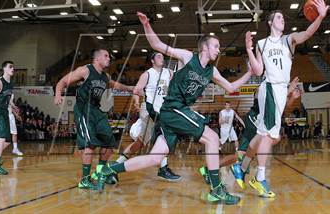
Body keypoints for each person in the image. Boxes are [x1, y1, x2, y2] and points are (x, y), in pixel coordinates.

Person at [97, 12, 253, 205]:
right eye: (216, 46)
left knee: (155, 159)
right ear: (204, 46)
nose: (218, 50)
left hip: (173, 114)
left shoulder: (211, 71)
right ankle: (216, 189)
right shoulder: (188, 57)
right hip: (173, 109)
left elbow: (230, 88)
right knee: (212, 138)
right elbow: (157, 46)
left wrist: (250, 73)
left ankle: (109, 169)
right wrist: (146, 24)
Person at [243, 0, 328, 197]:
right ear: (271, 22)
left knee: (263, 134)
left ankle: (242, 166)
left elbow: (306, 34)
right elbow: (257, 70)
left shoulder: (288, 40)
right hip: (270, 86)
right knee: (269, 135)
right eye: (279, 18)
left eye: (283, 18)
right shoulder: (262, 43)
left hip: (281, 90)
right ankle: (259, 178)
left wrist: (320, 17)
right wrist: (248, 49)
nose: (283, 20)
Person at [199, 77, 302, 188]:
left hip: (257, 122)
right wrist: (289, 90)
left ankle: (209, 169)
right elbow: (269, 101)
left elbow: (283, 106)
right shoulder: (263, 87)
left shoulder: (280, 90)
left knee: (239, 155)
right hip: (255, 120)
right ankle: (246, 170)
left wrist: (292, 97)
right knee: (274, 138)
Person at [54, 49, 134, 190]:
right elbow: (62, 81)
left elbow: (116, 85)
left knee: (109, 141)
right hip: (84, 109)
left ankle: (99, 172)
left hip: (97, 110)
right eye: (106, 56)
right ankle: (85, 180)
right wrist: (58, 94)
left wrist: (130, 89)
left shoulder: (105, 76)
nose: (109, 58)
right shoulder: (85, 70)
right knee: (89, 144)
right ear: (97, 58)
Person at [110, 52, 181, 181]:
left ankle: (115, 165)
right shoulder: (147, 74)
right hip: (149, 110)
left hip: (161, 110)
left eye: (162, 56)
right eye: (158, 56)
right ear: (152, 60)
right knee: (163, 135)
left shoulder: (168, 72)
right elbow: (136, 90)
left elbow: (179, 74)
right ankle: (163, 169)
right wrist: (136, 101)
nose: (162, 58)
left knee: (140, 143)